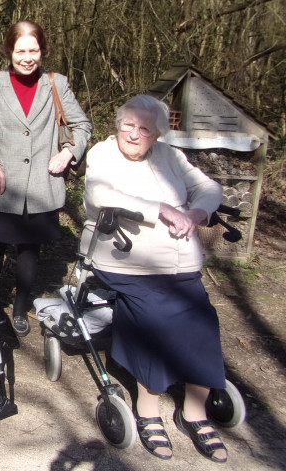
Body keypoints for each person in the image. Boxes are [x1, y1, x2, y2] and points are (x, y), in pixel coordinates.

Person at [83, 94, 227, 462]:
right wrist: (158, 209)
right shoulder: (103, 153)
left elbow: (209, 187)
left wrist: (197, 212)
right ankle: (148, 409)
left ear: (158, 134)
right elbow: (99, 193)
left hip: (181, 264)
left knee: (203, 322)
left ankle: (194, 411)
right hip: (126, 261)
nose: (133, 134)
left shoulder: (170, 156)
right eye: (127, 125)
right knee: (156, 320)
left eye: (144, 129)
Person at [0, 20, 91, 338]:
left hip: (42, 186)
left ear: (42, 50)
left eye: (34, 49)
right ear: (9, 50)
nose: (28, 57)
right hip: (0, 186)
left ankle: (20, 308)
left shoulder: (56, 83)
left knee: (30, 250)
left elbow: (82, 125)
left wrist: (68, 153)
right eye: (21, 50)